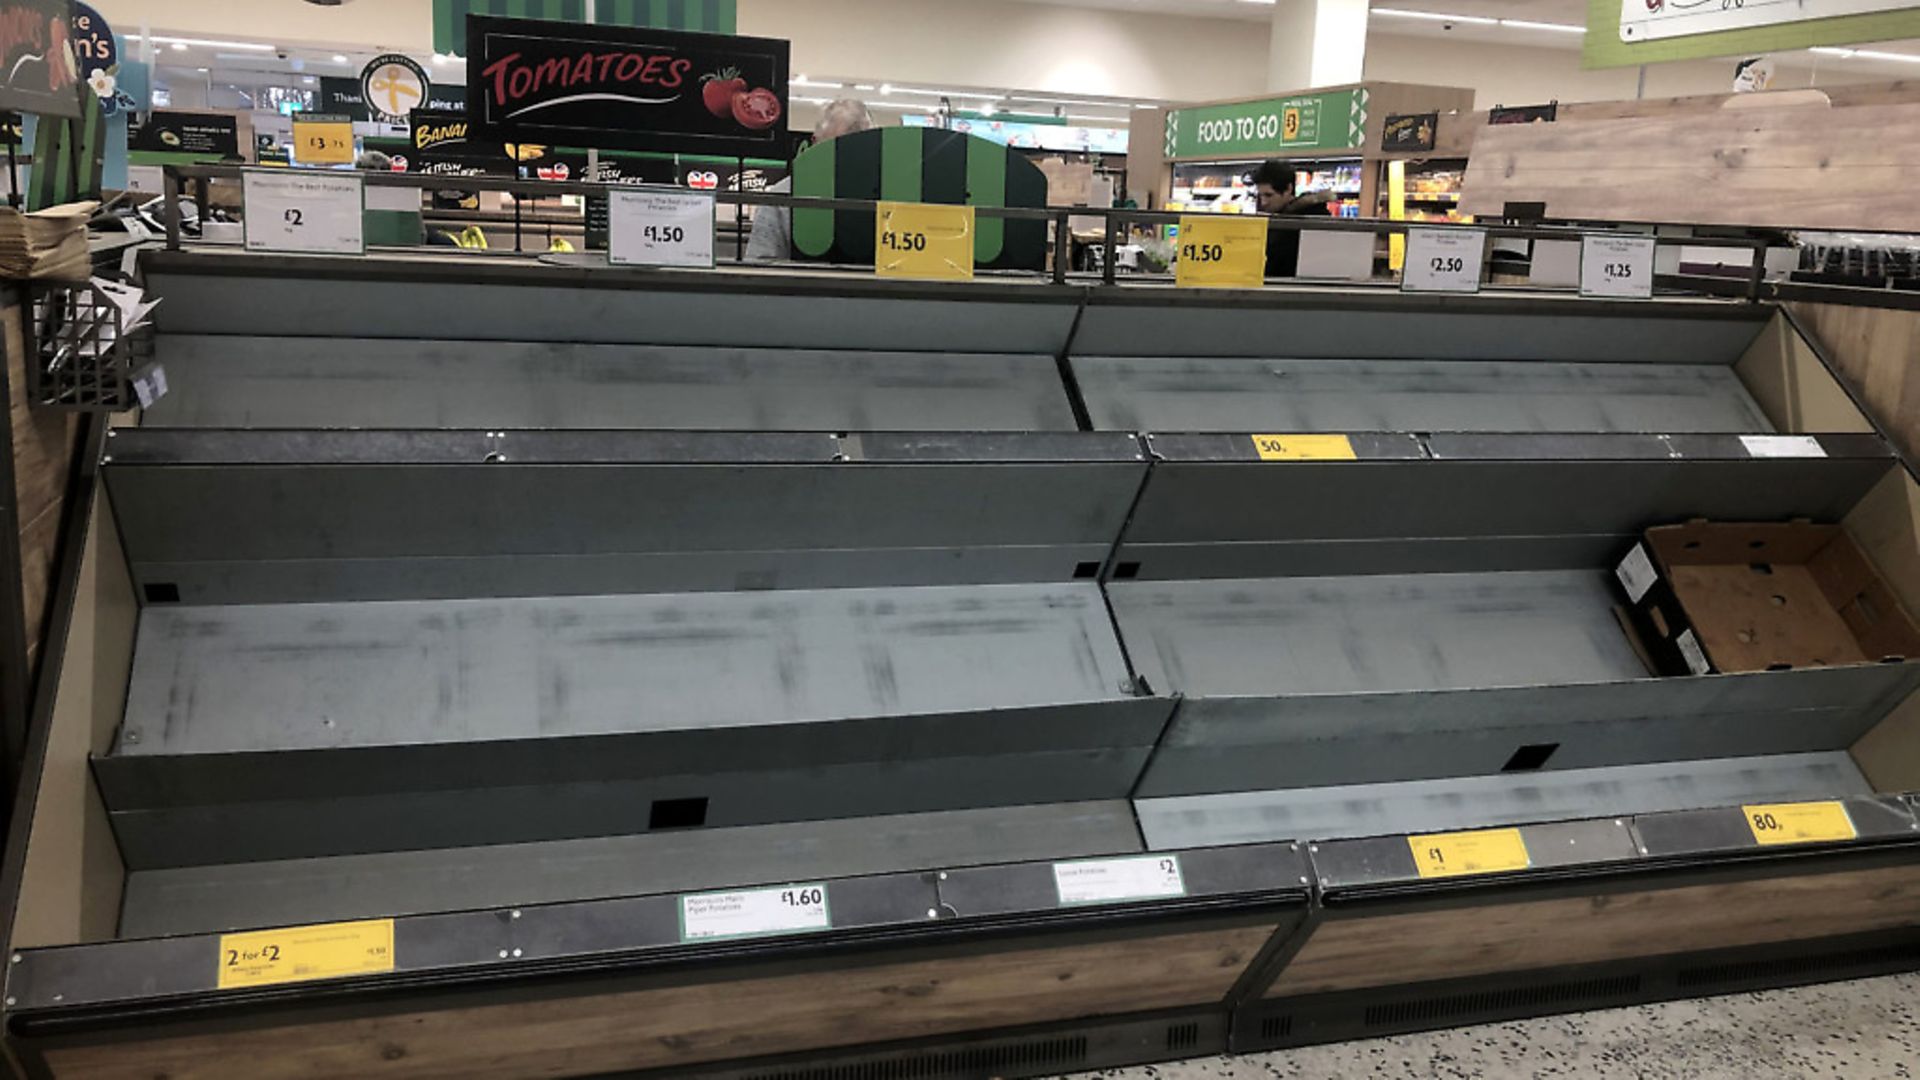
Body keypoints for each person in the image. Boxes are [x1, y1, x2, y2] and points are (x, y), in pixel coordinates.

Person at [746, 98, 874, 262]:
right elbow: (759, 267)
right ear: (814, 144)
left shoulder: (782, 194)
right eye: (837, 149)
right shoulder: (781, 196)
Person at [1252, 158, 1334, 278]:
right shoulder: (1276, 217)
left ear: (1288, 189)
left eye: (1269, 195)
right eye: (1260, 195)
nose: (1263, 202)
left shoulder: (1310, 220)